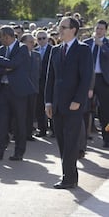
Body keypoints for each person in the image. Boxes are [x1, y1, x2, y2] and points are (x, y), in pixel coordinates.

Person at [45, 16, 93, 189]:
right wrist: (48, 102)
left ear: (73, 29)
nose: (60, 30)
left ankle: (69, 178)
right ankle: (70, 175)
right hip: (57, 105)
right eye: (60, 27)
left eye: (63, 27)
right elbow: (50, 78)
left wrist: (78, 100)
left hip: (74, 104)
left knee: (71, 142)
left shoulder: (83, 50)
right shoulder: (55, 50)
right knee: (62, 141)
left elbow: (86, 77)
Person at [0, 26, 35, 161]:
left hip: (19, 91)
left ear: (7, 37)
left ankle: (19, 152)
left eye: (1, 37)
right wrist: (6, 67)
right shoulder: (1, 49)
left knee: (19, 122)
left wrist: (2, 62)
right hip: (4, 89)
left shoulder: (22, 48)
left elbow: (15, 64)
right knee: (1, 121)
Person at [84, 20, 109, 148]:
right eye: (97, 28)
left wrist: (102, 46)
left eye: (101, 29)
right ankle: (82, 138)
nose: (98, 31)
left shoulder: (107, 43)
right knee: (84, 108)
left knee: (105, 111)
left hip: (103, 80)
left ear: (105, 30)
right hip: (88, 79)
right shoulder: (87, 43)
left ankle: (107, 138)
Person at [20, 33, 40, 141]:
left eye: (33, 41)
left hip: (33, 88)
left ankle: (28, 133)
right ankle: (19, 133)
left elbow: (39, 71)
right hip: (21, 89)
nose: (33, 44)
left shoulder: (37, 55)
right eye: (30, 41)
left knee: (30, 112)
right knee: (20, 112)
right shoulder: (19, 54)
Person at [34, 30, 53, 137]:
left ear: (48, 38)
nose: (41, 40)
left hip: (49, 82)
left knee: (51, 105)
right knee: (39, 107)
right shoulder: (35, 50)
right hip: (38, 83)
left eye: (44, 38)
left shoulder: (53, 50)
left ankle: (54, 130)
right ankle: (42, 130)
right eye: (39, 38)